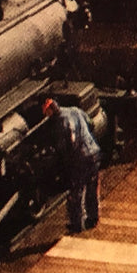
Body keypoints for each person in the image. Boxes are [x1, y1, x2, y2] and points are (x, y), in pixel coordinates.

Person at [43, 96, 101, 234]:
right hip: (93, 152)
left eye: (46, 113)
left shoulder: (61, 122)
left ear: (51, 111)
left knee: (76, 192)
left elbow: (69, 145)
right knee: (92, 187)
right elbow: (91, 123)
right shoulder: (75, 110)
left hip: (80, 159)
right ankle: (93, 218)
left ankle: (77, 225)